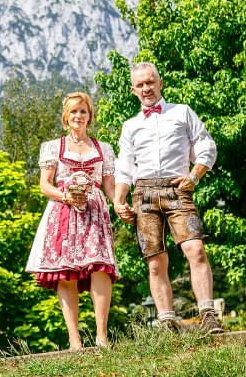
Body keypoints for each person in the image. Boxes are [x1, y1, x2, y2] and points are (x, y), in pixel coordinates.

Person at [112, 62, 224, 334]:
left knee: (195, 249)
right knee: (155, 262)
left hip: (178, 190)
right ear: (133, 90)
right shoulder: (130, 126)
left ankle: (208, 315)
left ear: (160, 83)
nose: (145, 88)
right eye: (140, 85)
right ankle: (167, 322)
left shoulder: (182, 112)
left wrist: (195, 176)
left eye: (150, 82)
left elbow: (206, 144)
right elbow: (125, 166)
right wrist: (118, 201)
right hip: (144, 194)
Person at [25, 92, 120, 350]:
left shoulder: (104, 149)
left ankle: (102, 336)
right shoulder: (53, 147)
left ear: (90, 116)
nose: (78, 116)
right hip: (64, 213)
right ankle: (74, 340)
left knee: (100, 268)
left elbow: (110, 187)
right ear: (66, 117)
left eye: (83, 111)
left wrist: (120, 203)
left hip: (94, 212)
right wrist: (66, 196)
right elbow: (44, 185)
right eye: (74, 111)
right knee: (66, 273)